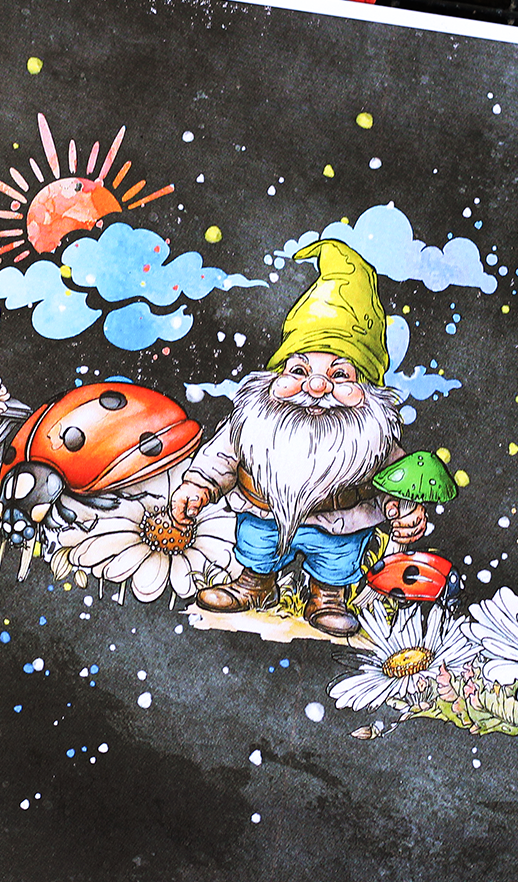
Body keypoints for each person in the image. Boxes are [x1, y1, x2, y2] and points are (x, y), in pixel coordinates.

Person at [170, 239, 427, 637]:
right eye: (299, 371)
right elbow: (221, 455)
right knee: (258, 544)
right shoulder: (254, 421)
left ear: (367, 390)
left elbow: (397, 478)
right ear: (276, 375)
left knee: (337, 559)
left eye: (339, 375)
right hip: (265, 512)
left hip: (340, 523)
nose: (317, 386)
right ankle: (254, 584)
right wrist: (198, 485)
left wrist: (402, 508)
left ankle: (328, 597)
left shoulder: (372, 436)